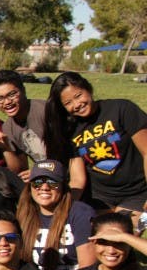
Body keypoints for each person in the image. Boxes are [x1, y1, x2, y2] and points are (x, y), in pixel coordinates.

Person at [46, 71, 147, 213]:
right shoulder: (70, 130)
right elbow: (77, 179)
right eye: (68, 103)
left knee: (121, 231)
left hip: (136, 193)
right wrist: (66, 208)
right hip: (99, 198)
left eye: (78, 95)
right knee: (93, 234)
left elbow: (146, 152)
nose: (77, 104)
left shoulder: (121, 109)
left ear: (88, 89)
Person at [17, 160, 95, 270]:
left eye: (52, 183)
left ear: (63, 186)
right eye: (37, 182)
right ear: (30, 186)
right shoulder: (24, 215)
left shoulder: (80, 213)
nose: (45, 187)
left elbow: (87, 267)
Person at [0, 69, 50, 174]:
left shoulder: (45, 111)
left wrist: (39, 170)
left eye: (12, 94)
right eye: (0, 98)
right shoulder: (8, 128)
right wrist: (5, 147)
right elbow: (19, 169)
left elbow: (66, 154)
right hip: (47, 176)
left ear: (23, 91)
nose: (7, 102)